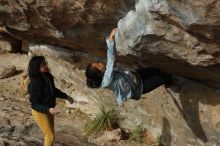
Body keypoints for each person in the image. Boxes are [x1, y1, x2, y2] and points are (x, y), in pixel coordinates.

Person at [85, 28, 172, 105]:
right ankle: (169, 80)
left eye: (98, 63)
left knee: (153, 70)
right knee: (161, 78)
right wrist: (110, 40)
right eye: (99, 65)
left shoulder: (105, 75)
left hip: (135, 76)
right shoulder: (107, 80)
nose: (101, 63)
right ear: (99, 74)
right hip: (139, 88)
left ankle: (162, 74)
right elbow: (111, 60)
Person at [28, 56, 74, 146]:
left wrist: (66, 96)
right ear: (36, 67)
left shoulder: (48, 76)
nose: (46, 66)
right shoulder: (34, 83)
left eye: (45, 63)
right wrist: (48, 109)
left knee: (50, 134)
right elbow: (34, 104)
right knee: (50, 135)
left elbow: (53, 90)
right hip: (40, 112)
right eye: (43, 65)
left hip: (49, 109)